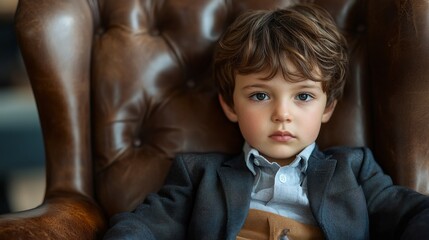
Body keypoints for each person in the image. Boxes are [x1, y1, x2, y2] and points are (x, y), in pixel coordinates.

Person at [103, 3, 429, 240]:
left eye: (303, 96)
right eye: (260, 95)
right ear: (231, 105)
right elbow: (141, 227)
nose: (282, 114)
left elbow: (415, 215)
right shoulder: (198, 174)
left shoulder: (355, 170)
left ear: (328, 107)